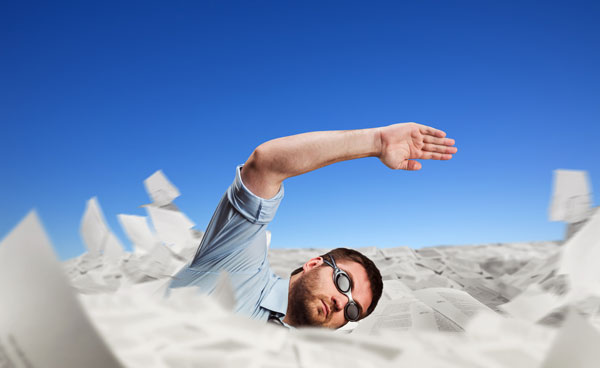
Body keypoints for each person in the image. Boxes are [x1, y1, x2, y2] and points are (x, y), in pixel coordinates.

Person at [168, 122, 457, 328]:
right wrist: (377, 142)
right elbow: (265, 166)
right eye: (344, 282)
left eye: (354, 310)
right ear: (313, 264)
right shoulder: (237, 269)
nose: (343, 303)